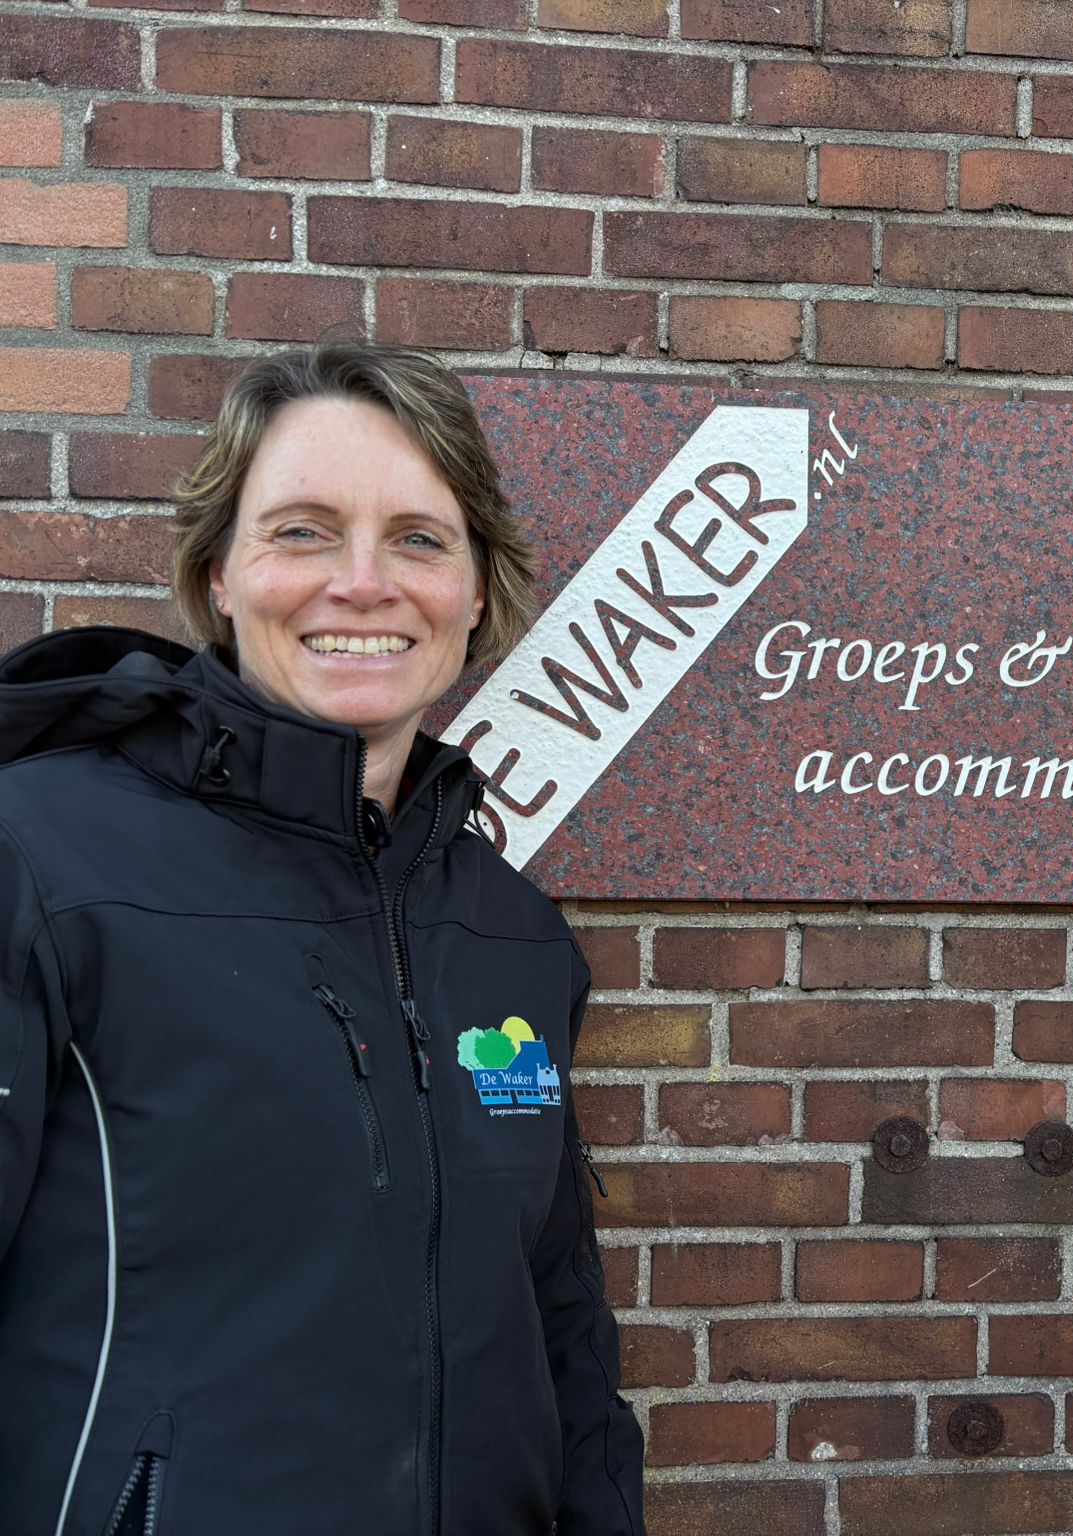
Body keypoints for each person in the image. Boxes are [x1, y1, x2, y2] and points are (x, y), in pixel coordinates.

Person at [0, 343, 646, 1534]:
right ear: (219, 579)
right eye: (301, 532)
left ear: (475, 588)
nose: (364, 582)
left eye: (417, 537)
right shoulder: (42, 861)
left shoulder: (511, 933)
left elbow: (559, 1323)